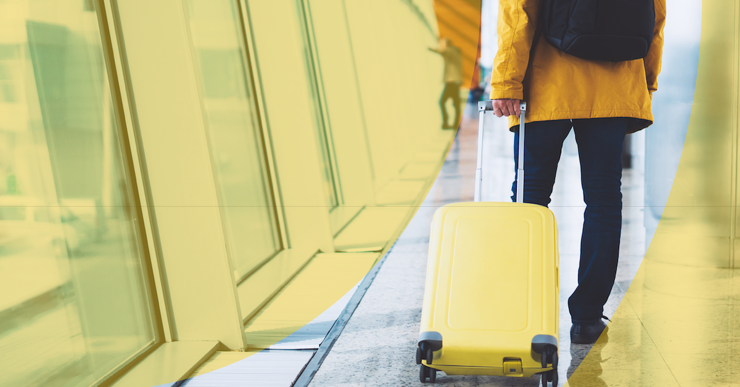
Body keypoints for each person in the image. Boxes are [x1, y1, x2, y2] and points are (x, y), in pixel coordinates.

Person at [489, 0, 666, 344]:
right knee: (603, 201)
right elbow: (655, 17)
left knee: (530, 198)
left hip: (546, 83)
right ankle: (586, 318)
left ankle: (523, 311)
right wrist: (645, 80)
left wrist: (506, 82)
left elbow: (517, 11)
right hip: (616, 82)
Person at [429, 38, 463, 129]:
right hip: (456, 82)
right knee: (456, 104)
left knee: (442, 101)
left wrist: (429, 48)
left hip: (451, 82)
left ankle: (446, 122)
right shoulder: (456, 52)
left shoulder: (450, 51)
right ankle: (456, 124)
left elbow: (440, 51)